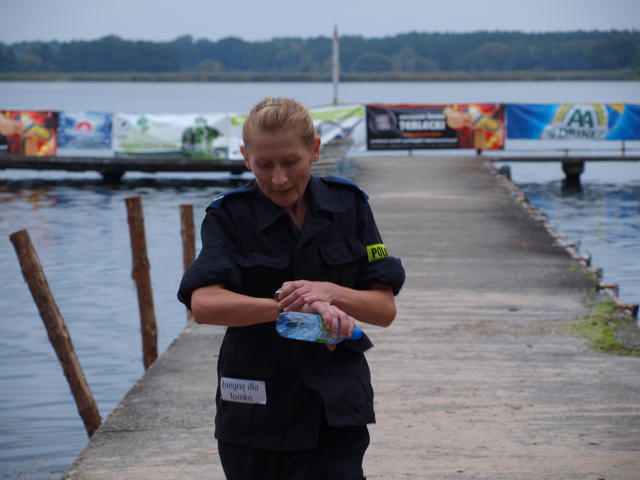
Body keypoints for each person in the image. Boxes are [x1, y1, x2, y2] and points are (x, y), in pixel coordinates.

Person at [177, 97, 405, 480]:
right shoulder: (228, 216)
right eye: (264, 165)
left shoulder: (350, 207)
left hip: (334, 408)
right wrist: (291, 308)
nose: (279, 179)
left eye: (290, 162)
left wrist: (330, 292)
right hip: (255, 412)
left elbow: (384, 310)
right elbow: (204, 304)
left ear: (314, 150)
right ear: (246, 158)